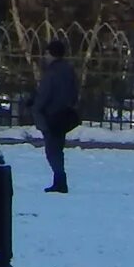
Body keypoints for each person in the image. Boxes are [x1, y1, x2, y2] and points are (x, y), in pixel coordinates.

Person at [35, 34, 81, 194]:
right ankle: (59, 180)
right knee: (58, 148)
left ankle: (60, 180)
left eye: (47, 53)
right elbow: (74, 92)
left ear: (51, 54)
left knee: (52, 150)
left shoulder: (52, 73)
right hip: (64, 115)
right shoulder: (69, 70)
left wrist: (37, 107)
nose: (45, 56)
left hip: (51, 116)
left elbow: (44, 95)